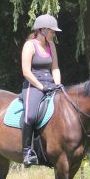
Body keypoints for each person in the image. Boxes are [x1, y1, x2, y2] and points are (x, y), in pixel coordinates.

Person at [20, 14, 62, 166]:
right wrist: (41, 87)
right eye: (52, 31)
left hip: (51, 84)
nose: (54, 34)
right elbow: (26, 72)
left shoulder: (51, 45)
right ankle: (27, 152)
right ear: (43, 30)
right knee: (30, 116)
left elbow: (55, 68)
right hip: (33, 86)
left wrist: (58, 84)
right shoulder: (29, 45)